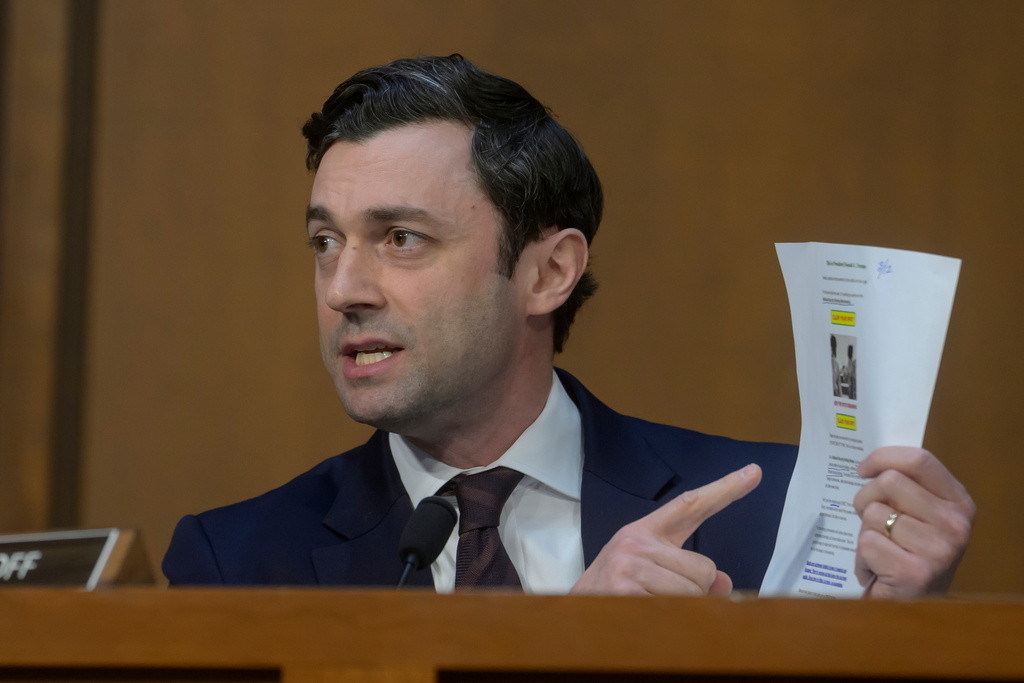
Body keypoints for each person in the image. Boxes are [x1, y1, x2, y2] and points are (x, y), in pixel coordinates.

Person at [163, 55, 974, 597]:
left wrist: (906, 631)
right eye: (324, 242)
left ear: (548, 272)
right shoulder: (235, 563)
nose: (342, 288)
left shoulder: (774, 521)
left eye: (401, 239)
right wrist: (571, 649)